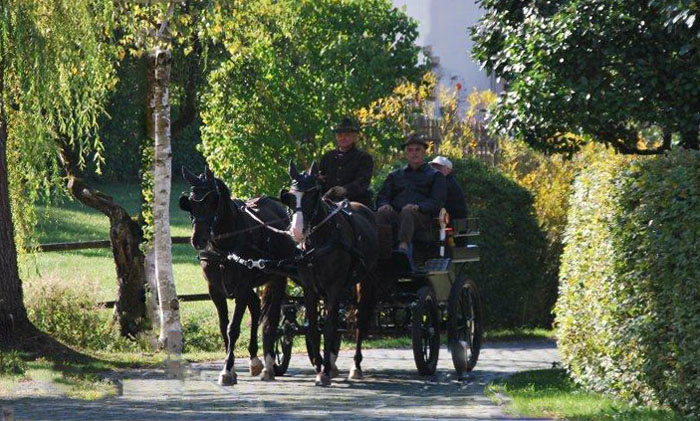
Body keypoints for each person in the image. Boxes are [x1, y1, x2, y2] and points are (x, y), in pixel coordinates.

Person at [376, 134, 446, 256]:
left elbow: (437, 201)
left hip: (422, 217)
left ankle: (403, 248)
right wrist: (384, 204)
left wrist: (419, 207)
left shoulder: (435, 175)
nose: (414, 153)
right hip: (397, 214)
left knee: (408, 211)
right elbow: (382, 196)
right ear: (405, 153)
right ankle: (381, 250)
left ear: (424, 152)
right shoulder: (395, 175)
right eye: (410, 150)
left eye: (417, 149)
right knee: (382, 212)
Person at [318, 117, 374, 207]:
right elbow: (321, 178)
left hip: (356, 202)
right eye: (340, 135)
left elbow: (363, 181)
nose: (343, 138)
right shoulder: (328, 157)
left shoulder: (363, 158)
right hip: (329, 202)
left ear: (354, 137)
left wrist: (345, 190)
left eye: (347, 135)